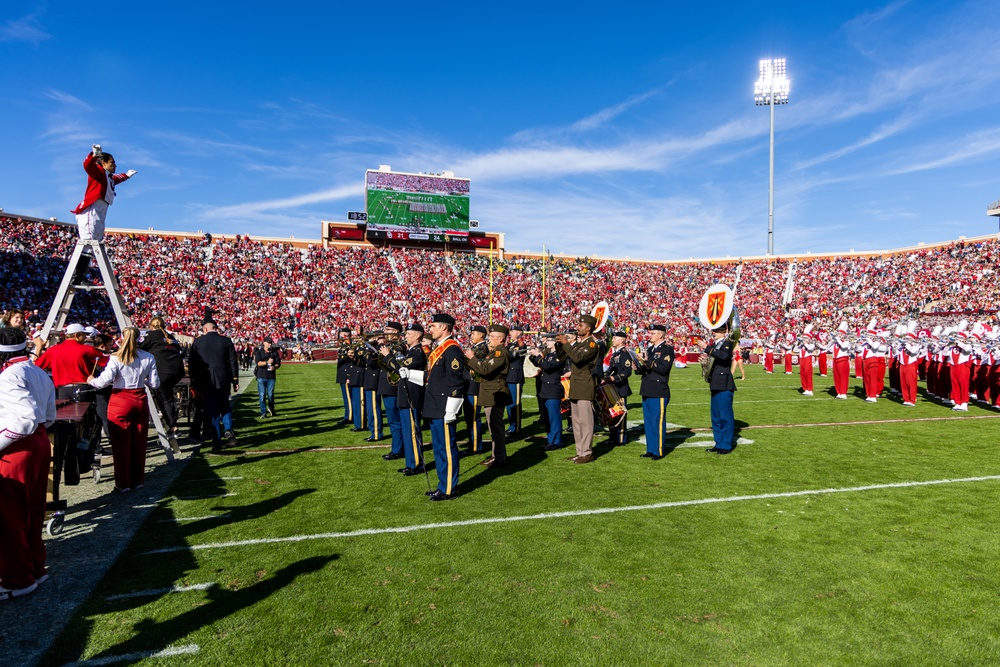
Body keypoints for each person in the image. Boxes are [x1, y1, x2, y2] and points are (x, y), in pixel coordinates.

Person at [0, 327, 56, 600]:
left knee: (9, 517)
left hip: (16, 449)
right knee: (33, 512)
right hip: (39, 441)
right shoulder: (38, 371)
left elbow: (24, 419)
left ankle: (17, 578)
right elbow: (48, 414)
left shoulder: (8, 376)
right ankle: (35, 567)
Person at [87, 327, 160, 492]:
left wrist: (91, 380)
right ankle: (137, 481)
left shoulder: (116, 358)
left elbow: (102, 382)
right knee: (139, 443)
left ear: (121, 338)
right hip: (139, 399)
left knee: (120, 445)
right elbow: (155, 384)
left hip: (120, 400)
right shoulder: (148, 357)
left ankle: (122, 484)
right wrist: (144, 381)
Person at [70, 144, 137, 284]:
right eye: (112, 162)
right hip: (91, 209)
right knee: (88, 242)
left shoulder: (108, 176)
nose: (115, 165)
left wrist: (126, 176)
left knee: (94, 242)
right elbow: (88, 166)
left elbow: (115, 179)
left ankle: (79, 276)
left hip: (100, 210)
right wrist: (93, 155)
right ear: (103, 163)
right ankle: (77, 277)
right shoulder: (98, 172)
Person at [422, 314, 465, 500]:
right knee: (439, 448)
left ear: (444, 328)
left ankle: (449, 488)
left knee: (447, 449)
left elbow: (456, 383)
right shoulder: (440, 348)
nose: (430, 330)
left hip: (444, 407)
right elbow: (434, 379)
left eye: (433, 326)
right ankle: (443, 484)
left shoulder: (452, 350)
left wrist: (452, 409)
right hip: (435, 405)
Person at [189, 317, 239, 453]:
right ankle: (228, 429)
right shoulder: (226, 341)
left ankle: (217, 441)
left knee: (213, 411)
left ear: (205, 329)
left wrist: (193, 381)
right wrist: (235, 380)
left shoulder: (198, 342)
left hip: (206, 380)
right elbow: (233, 362)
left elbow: (192, 363)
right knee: (225, 406)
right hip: (223, 378)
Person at [464, 324, 511, 468]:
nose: (488, 339)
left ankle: (499, 458)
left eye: (491, 336)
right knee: (493, 427)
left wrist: (472, 358)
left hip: (495, 392)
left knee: (496, 427)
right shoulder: (494, 352)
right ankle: (496, 456)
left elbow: (485, 369)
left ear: (501, 339)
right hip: (491, 392)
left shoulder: (500, 353)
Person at [555, 314, 600, 464]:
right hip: (576, 384)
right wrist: (559, 344)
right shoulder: (580, 344)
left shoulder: (591, 345)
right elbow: (563, 357)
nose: (577, 327)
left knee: (585, 421)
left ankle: (587, 452)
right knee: (576, 421)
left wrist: (567, 343)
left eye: (581, 326)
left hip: (585, 384)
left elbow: (578, 358)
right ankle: (580, 451)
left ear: (588, 329)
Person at [139, 316, 186, 449]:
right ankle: (172, 425)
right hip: (176, 372)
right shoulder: (170, 336)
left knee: (165, 400)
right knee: (167, 398)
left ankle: (173, 427)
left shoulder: (152, 335)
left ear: (151, 325)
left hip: (163, 372)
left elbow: (141, 348)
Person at [389, 323, 427, 474]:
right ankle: (411, 462)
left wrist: (387, 355)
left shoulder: (417, 353)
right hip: (406, 394)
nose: (406, 337)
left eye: (409, 334)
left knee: (412, 431)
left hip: (412, 395)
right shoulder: (411, 351)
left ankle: (416, 463)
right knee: (407, 430)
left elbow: (401, 367)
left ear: (418, 336)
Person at [636, 323, 674, 459]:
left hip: (658, 390)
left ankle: (658, 451)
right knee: (649, 422)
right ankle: (650, 449)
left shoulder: (667, 349)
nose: (650, 335)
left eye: (653, 333)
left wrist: (648, 361)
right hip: (647, 388)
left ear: (661, 335)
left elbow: (663, 369)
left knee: (657, 423)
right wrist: (638, 365)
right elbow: (646, 369)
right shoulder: (651, 349)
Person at [699, 323, 738, 454]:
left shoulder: (727, 343)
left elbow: (724, 356)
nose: (714, 332)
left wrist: (707, 348)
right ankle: (719, 442)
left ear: (724, 331)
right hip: (715, 383)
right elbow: (715, 360)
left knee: (725, 416)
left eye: (717, 330)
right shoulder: (716, 345)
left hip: (724, 384)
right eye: (714, 330)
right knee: (716, 417)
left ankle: (726, 445)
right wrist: (705, 362)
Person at [528, 333, 565, 451]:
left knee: (554, 417)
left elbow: (548, 367)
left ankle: (557, 442)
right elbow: (540, 363)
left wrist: (538, 356)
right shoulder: (549, 355)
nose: (546, 342)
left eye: (549, 340)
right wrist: (533, 356)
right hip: (546, 389)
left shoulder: (560, 355)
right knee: (549, 418)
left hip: (553, 389)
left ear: (555, 342)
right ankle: (550, 441)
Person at [601, 330, 633, 446]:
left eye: (615, 338)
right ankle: (613, 437)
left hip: (620, 389)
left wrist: (613, 378)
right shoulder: (615, 353)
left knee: (621, 416)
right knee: (613, 415)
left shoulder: (624, 354)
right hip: (612, 389)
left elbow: (627, 372)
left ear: (622, 341)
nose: (613, 339)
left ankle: (620, 438)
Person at [377, 322, 404, 455]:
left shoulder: (398, 346)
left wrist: (384, 349)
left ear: (396, 332)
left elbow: (397, 364)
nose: (385, 331)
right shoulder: (390, 345)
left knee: (395, 420)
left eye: (388, 329)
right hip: (387, 385)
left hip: (392, 385)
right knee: (393, 419)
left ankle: (398, 449)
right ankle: (398, 447)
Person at [462, 325, 488, 455]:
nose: (471, 336)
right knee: (468, 417)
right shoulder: (476, 348)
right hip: (469, 386)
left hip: (474, 386)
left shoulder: (482, 348)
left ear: (481, 335)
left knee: (473, 417)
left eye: (474, 334)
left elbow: (466, 361)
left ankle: (476, 447)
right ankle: (473, 443)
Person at [504, 324, 527, 437]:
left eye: (512, 331)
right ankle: (512, 426)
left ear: (518, 333)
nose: (510, 333)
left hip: (515, 376)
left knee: (515, 404)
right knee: (509, 404)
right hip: (509, 376)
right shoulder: (511, 344)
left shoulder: (520, 344)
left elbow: (511, 356)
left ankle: (516, 428)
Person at [253, 337, 282, 419]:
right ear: (264, 343)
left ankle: (271, 409)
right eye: (268, 342)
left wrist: (274, 367)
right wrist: (267, 362)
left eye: (271, 342)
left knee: (270, 395)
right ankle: (263, 412)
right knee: (262, 395)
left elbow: (278, 363)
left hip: (271, 376)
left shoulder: (274, 352)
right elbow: (258, 363)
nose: (270, 344)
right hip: (261, 376)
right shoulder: (259, 352)